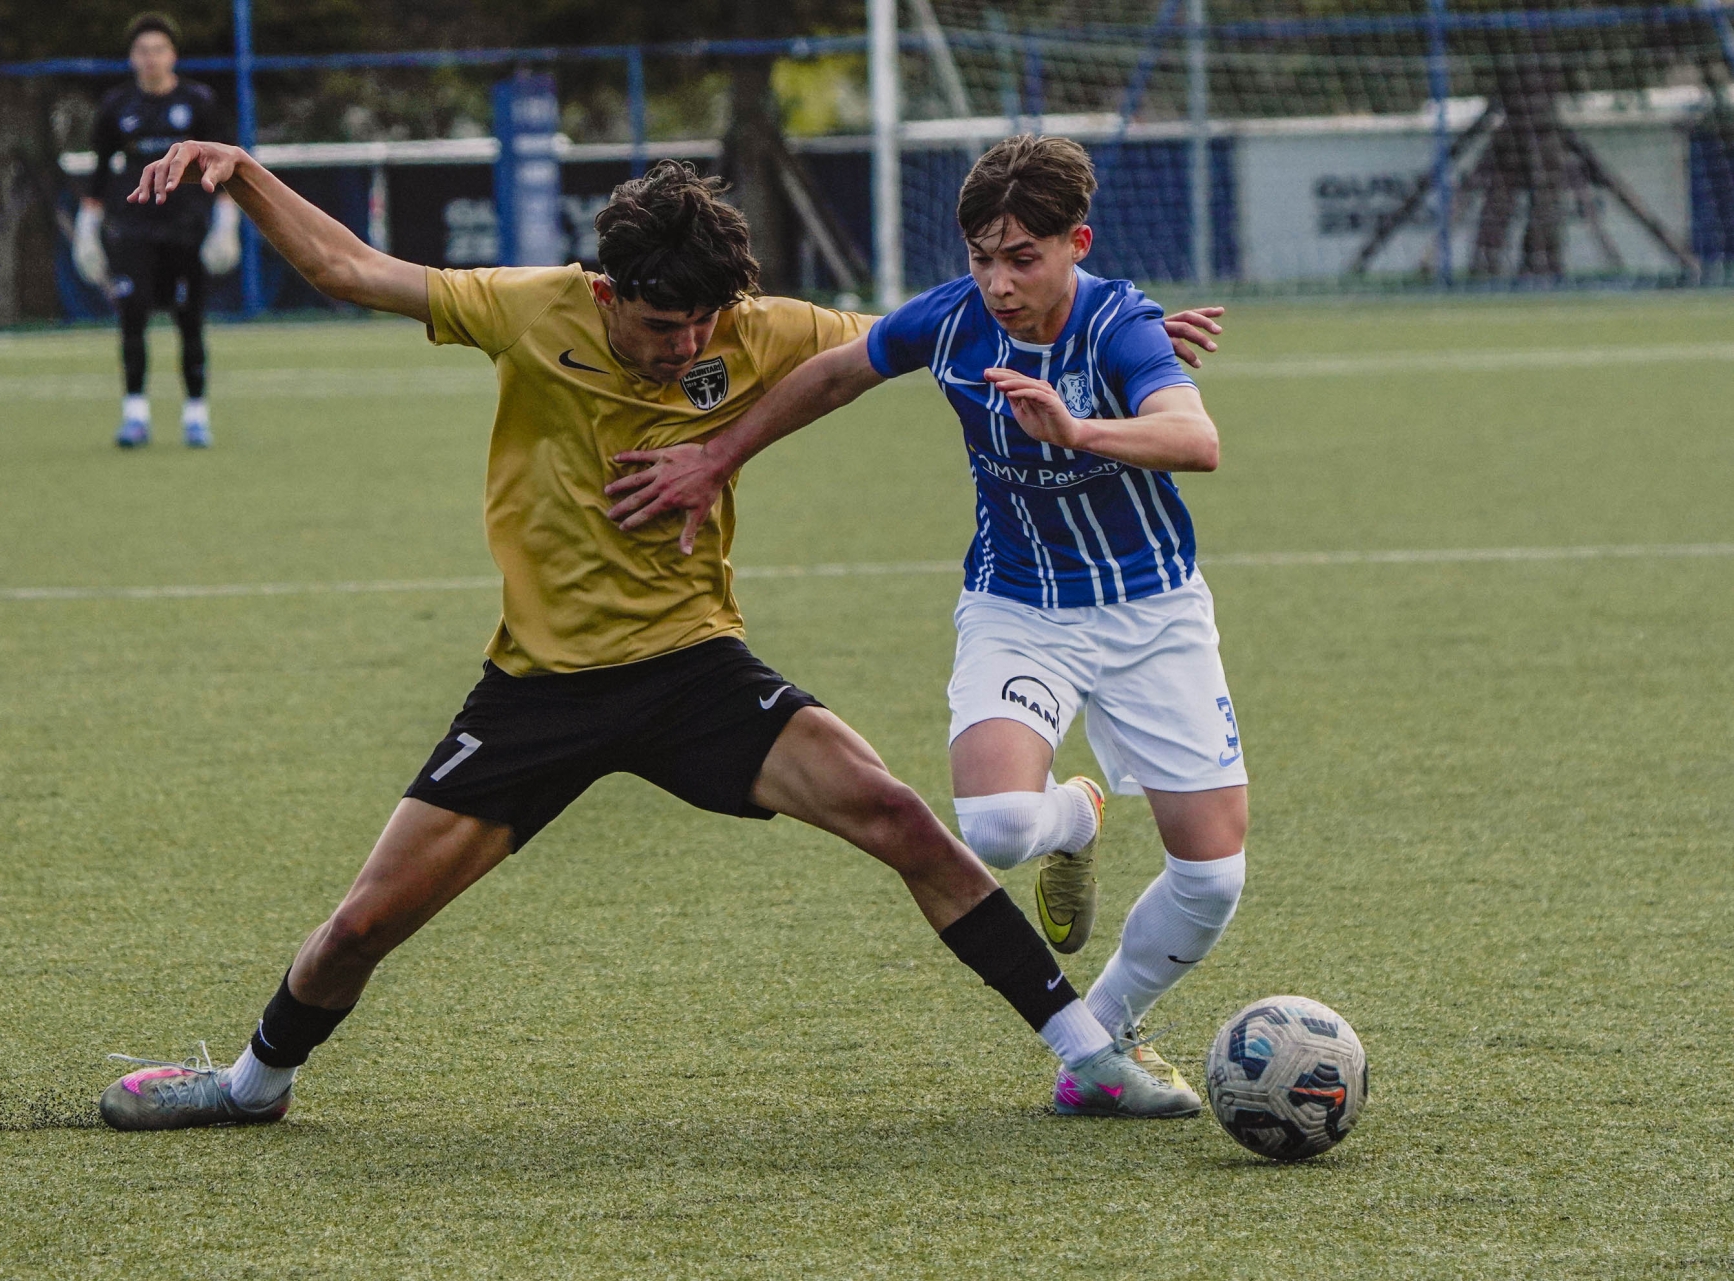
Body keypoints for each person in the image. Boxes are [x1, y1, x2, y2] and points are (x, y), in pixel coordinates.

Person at [95, 141, 1221, 1131]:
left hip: (694, 670)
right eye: (659, 324)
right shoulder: (527, 309)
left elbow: (941, 329)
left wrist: (1106, 343)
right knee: (360, 927)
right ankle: (249, 1086)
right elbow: (350, 268)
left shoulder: (751, 330)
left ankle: (1091, 1056)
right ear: (604, 291)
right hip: (540, 689)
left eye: (701, 324)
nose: (686, 346)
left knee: (904, 822)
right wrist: (244, 175)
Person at [605, 134, 1241, 1120]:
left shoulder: (1123, 327)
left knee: (1210, 878)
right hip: (1018, 606)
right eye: (982, 258)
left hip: (1152, 611)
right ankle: (1077, 815)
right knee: (997, 827)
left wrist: (1078, 429)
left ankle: (1107, 1027)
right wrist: (719, 457)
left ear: (1077, 244)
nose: (998, 282)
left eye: (1022, 258)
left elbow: (1196, 438)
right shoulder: (952, 321)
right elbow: (833, 374)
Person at [72, 12, 240, 450]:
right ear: (132, 57)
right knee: (132, 318)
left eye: (159, 50)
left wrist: (226, 225)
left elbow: (224, 168)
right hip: (134, 229)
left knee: (190, 320)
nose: (151, 58)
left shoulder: (198, 102)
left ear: (173, 55)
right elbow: (99, 172)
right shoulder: (117, 107)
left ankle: (196, 417)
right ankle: (135, 416)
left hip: (187, 229)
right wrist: (87, 229)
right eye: (143, 50)